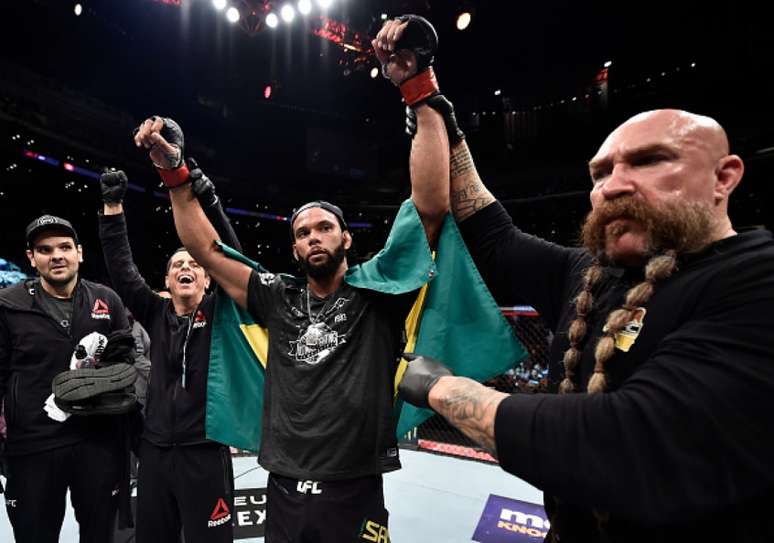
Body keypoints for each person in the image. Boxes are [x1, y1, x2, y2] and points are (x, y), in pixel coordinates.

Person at [377, 16, 774, 541]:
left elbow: (630, 442)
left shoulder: (755, 277)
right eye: (600, 173)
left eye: (649, 162)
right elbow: (490, 230)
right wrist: (422, 90)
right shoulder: (584, 272)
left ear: (725, 178)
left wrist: (442, 389)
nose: (613, 187)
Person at [131, 31, 450, 537]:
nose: (313, 237)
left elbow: (430, 207)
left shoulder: (379, 293)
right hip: (283, 485)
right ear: (295, 250)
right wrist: (173, 173)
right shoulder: (277, 296)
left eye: (324, 227)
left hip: (354, 488)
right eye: (302, 233)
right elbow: (207, 252)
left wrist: (417, 87)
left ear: (346, 237)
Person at [98, 163, 240, 543]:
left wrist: (210, 205)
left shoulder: (221, 313)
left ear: (208, 278)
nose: (185, 268)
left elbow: (235, 263)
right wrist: (113, 210)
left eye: (194, 263)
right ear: (167, 280)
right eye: (177, 264)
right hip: (156, 453)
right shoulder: (154, 313)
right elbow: (124, 271)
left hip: (205, 453)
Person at [0, 215, 132, 543]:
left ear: (80, 253)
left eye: (64, 247)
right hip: (32, 446)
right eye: (44, 249)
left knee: (100, 536)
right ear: (31, 258)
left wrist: (113, 373)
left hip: (98, 443)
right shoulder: (7, 306)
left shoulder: (107, 300)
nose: (56, 255)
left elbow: (128, 366)